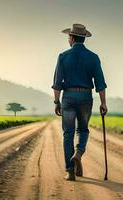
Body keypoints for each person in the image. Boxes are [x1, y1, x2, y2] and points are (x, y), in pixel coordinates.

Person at [51, 23, 108, 181]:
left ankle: (70, 171)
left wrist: (57, 102)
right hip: (85, 98)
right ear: (83, 38)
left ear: (71, 38)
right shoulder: (93, 57)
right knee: (83, 130)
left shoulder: (63, 56)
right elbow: (100, 83)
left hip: (68, 97)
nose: (68, 39)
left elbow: (57, 83)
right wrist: (103, 103)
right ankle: (78, 152)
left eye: (68, 37)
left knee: (67, 133)